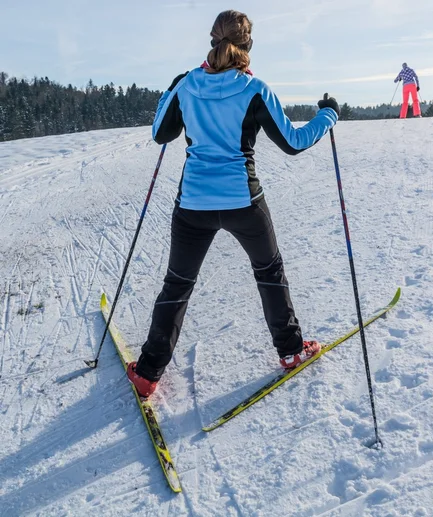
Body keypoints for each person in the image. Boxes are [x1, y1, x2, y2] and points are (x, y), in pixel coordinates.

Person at [126, 10, 341, 398]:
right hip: (244, 201)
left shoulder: (187, 84)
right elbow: (293, 142)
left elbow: (162, 133)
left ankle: (147, 373)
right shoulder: (254, 89)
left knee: (178, 283)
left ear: (211, 40)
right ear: (248, 45)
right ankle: (291, 352)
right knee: (269, 272)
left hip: (193, 205)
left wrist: (170, 90)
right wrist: (327, 115)